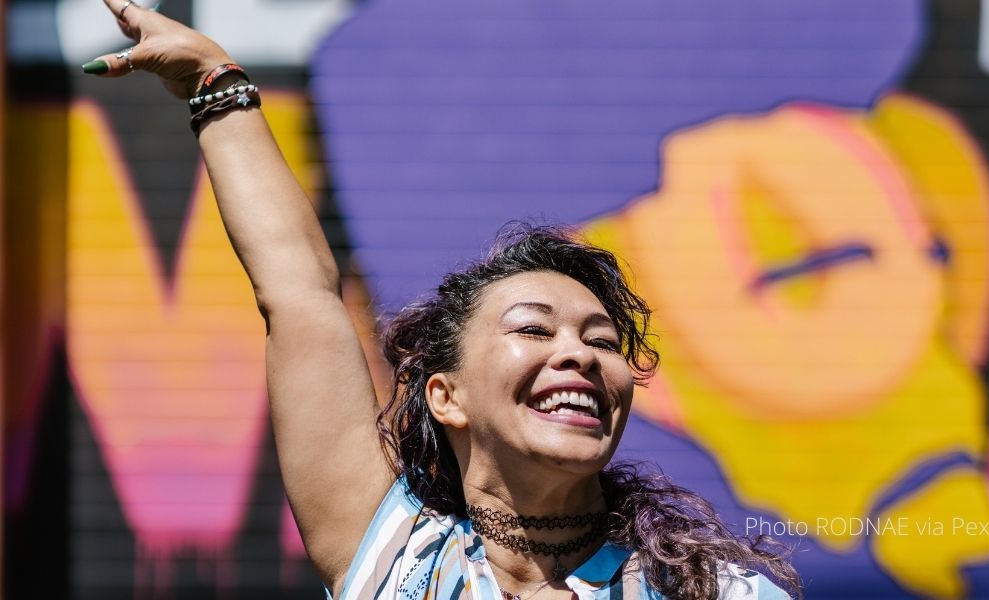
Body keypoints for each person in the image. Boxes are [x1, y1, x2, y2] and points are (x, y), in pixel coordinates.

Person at [84, 2, 801, 598]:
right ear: (446, 396)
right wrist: (218, 86)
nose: (578, 355)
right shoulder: (393, 555)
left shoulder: (716, 592)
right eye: (535, 329)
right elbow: (300, 293)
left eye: (602, 341)